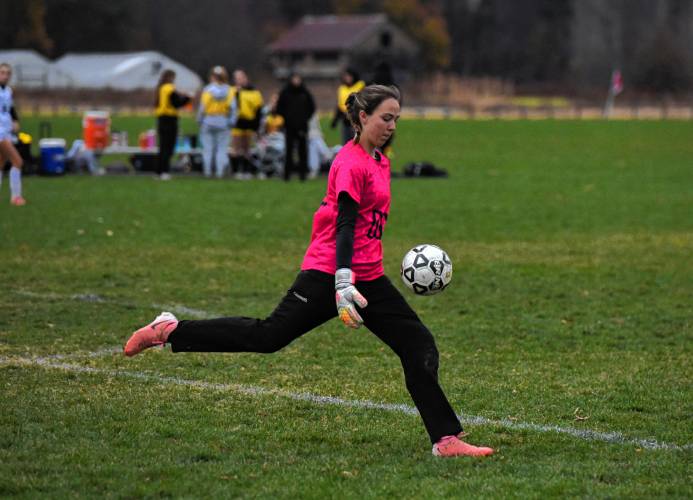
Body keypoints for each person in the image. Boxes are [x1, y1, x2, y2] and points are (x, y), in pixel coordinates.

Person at [124, 84, 494, 458]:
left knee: (418, 344)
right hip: (328, 273)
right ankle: (169, 330)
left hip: (368, 277)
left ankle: (446, 440)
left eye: (396, 119)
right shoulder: (349, 163)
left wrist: (356, 276)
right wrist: (343, 280)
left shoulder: (380, 161)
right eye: (386, 118)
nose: (392, 126)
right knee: (269, 337)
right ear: (363, 117)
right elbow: (345, 224)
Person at [276, 73, 315, 181]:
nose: (296, 81)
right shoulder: (285, 92)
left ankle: (303, 174)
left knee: (302, 151)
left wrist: (304, 119)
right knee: (288, 151)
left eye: (298, 79)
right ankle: (287, 175)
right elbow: (279, 108)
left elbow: (311, 108)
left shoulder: (305, 93)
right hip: (289, 126)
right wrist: (287, 119)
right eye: (294, 79)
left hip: (302, 126)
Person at [197, 66, 234, 178]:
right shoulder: (229, 90)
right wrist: (231, 121)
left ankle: (207, 172)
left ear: (212, 76)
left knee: (207, 149)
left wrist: (199, 120)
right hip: (223, 121)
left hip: (208, 121)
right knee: (221, 149)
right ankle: (219, 172)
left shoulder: (208, 89)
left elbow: (203, 107)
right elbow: (233, 107)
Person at [155, 69, 191, 180]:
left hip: (161, 119)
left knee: (162, 146)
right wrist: (188, 98)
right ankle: (165, 172)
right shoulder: (169, 88)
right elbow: (177, 103)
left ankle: (159, 171)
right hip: (169, 119)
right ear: (170, 77)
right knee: (168, 147)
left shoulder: (160, 88)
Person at [230, 69, 264, 179]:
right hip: (237, 122)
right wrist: (237, 93)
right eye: (237, 78)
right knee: (236, 147)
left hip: (249, 122)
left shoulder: (254, 92)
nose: (240, 80)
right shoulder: (233, 91)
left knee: (247, 148)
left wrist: (256, 126)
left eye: (241, 77)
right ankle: (236, 171)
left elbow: (258, 110)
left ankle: (246, 171)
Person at [0, 63, 25, 206]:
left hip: (7, 130)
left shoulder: (8, 91)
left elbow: (10, 109)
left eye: (8, 73)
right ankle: (16, 197)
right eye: (2, 72)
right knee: (17, 161)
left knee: (1, 163)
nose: (5, 76)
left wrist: (15, 120)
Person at [331, 68, 365, 145]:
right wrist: (335, 120)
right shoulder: (341, 89)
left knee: (357, 143)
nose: (348, 78)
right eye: (346, 76)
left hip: (357, 120)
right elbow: (340, 105)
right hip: (345, 120)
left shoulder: (360, 86)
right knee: (346, 144)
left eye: (349, 76)